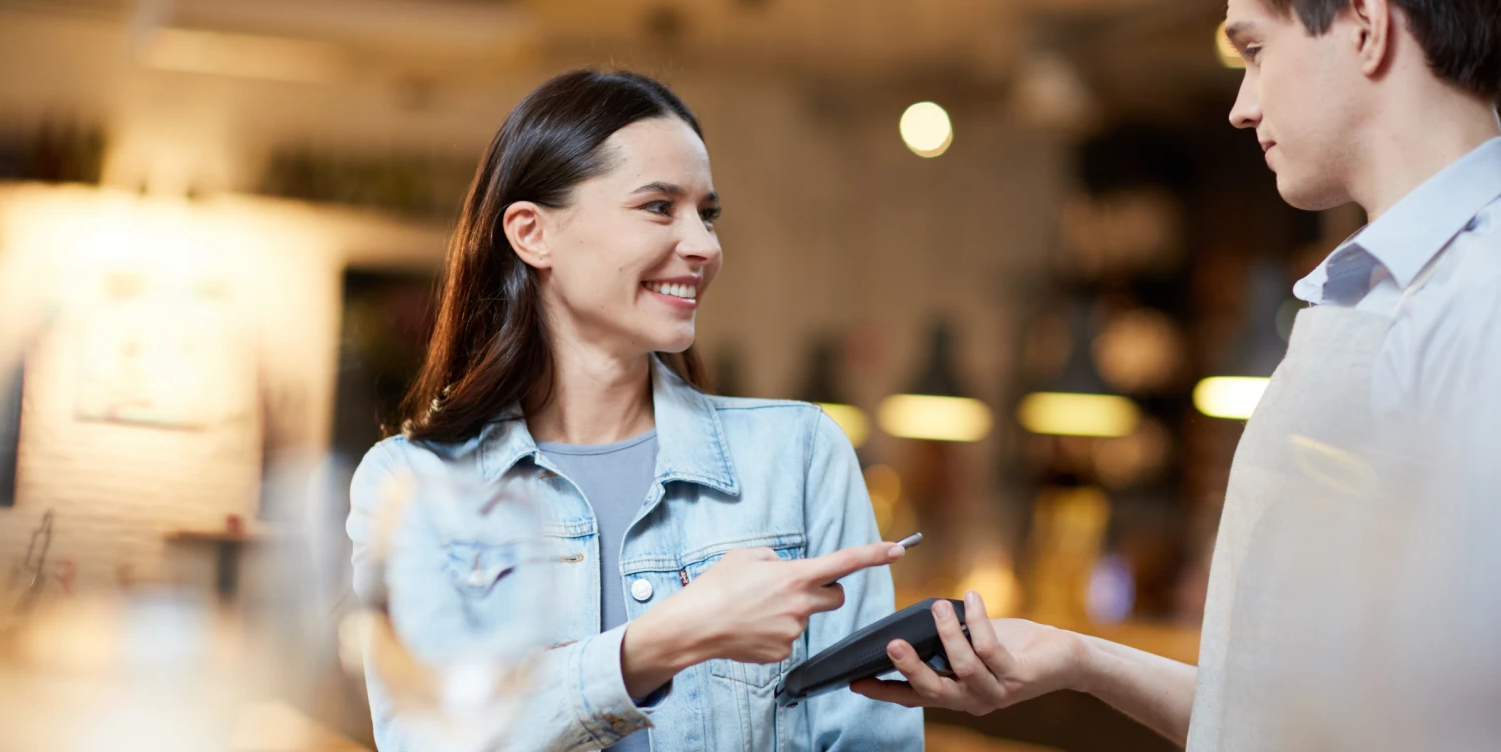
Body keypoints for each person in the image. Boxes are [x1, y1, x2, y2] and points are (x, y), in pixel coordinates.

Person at [853, 0, 1501, 748]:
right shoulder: (1372, 289)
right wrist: (1083, 658)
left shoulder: (1480, 295)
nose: (1240, 105)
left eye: (1255, 50)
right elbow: (1286, 719)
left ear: (1364, 22)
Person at [345, 70, 922, 751]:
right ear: (533, 234)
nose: (704, 246)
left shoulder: (798, 455)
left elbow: (868, 741)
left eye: (706, 213)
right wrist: (665, 639)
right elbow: (426, 738)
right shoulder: (412, 485)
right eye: (658, 207)